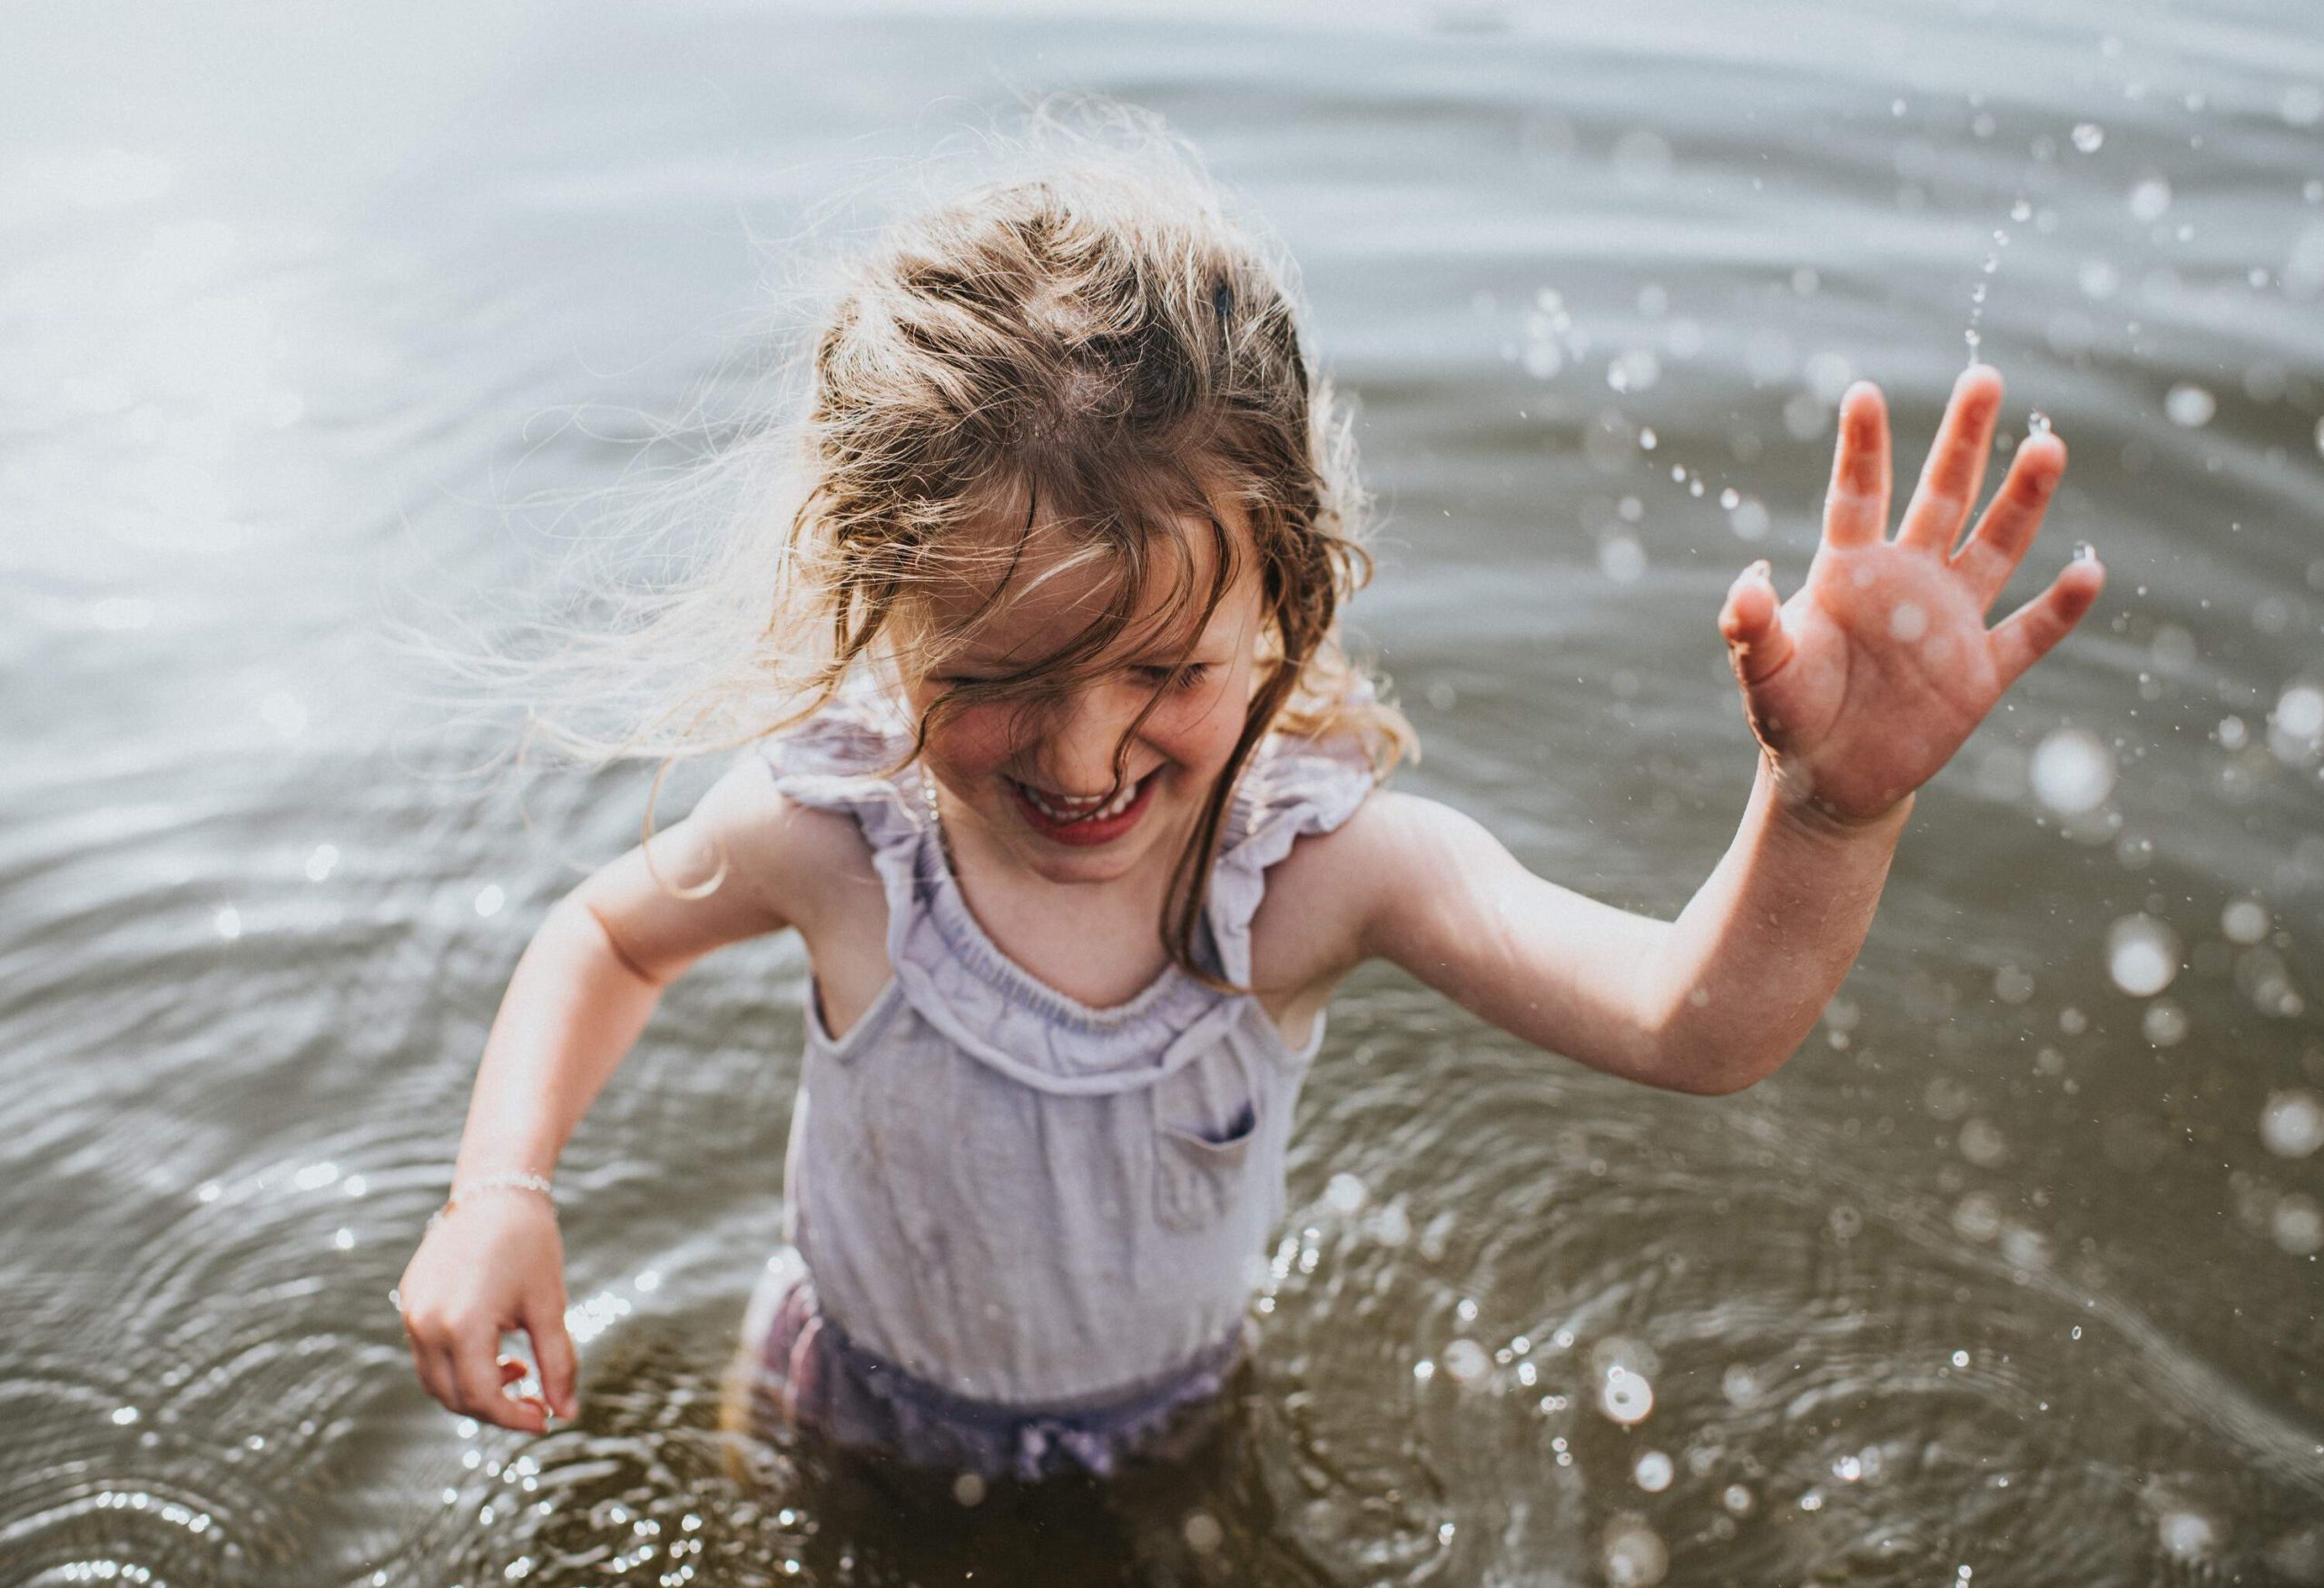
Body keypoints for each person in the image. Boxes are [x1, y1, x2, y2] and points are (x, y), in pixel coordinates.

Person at [392, 113, 2104, 1486]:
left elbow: (1690, 1024)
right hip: (828, 1415)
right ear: (882, 619)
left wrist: (1825, 815)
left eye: (1159, 671)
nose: (1081, 758)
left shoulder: (1316, 880)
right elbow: (608, 933)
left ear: (1283, 600)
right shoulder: (843, 839)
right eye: (993, 680)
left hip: (1173, 1442)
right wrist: (502, 1193)